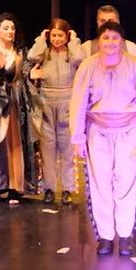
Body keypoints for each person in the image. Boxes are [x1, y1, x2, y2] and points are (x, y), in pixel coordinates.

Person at [70, 21, 136, 256]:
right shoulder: (88, 66)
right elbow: (78, 102)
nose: (110, 42)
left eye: (115, 38)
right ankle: (106, 237)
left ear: (122, 41)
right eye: (106, 38)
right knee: (100, 183)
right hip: (98, 131)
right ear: (99, 41)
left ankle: (125, 235)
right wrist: (78, 137)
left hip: (128, 130)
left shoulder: (135, 65)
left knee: (126, 181)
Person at [0, 12, 39, 202]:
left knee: (15, 143)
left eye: (12, 28)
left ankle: (15, 186)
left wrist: (31, 74)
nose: (10, 31)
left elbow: (26, 71)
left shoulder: (21, 51)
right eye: (6, 28)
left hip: (16, 102)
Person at [28, 17, 87, 205]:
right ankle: (49, 188)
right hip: (46, 101)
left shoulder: (71, 53)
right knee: (48, 149)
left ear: (66, 36)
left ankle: (68, 188)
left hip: (67, 101)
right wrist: (41, 38)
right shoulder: (45, 52)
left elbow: (81, 59)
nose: (57, 39)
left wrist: (74, 39)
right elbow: (31, 56)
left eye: (60, 35)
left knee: (67, 149)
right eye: (53, 35)